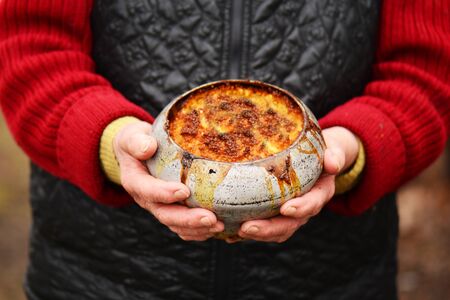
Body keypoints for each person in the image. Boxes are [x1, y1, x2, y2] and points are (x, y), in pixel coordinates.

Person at [0, 0, 449, 299]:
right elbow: (29, 46)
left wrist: (355, 147)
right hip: (101, 274)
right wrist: (108, 140)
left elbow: (426, 71)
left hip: (332, 275)